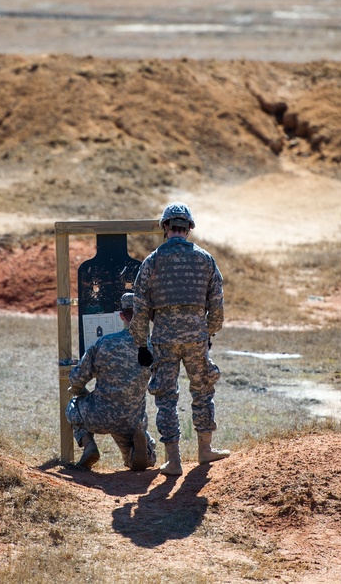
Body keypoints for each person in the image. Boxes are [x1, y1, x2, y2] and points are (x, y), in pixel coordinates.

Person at [130, 202, 229, 476]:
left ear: (165, 227)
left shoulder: (152, 261)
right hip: (196, 337)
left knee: (165, 397)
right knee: (203, 390)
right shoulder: (205, 259)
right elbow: (217, 303)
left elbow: (139, 307)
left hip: (164, 338)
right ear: (189, 229)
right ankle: (205, 450)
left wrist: (141, 343)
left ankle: (173, 461)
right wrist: (210, 331)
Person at [66, 292, 157, 471]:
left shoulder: (105, 343)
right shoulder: (152, 347)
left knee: (73, 406)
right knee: (134, 457)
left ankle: (88, 444)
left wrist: (82, 393)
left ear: (122, 316)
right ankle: (143, 452)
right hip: (132, 419)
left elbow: (76, 379)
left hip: (98, 414)